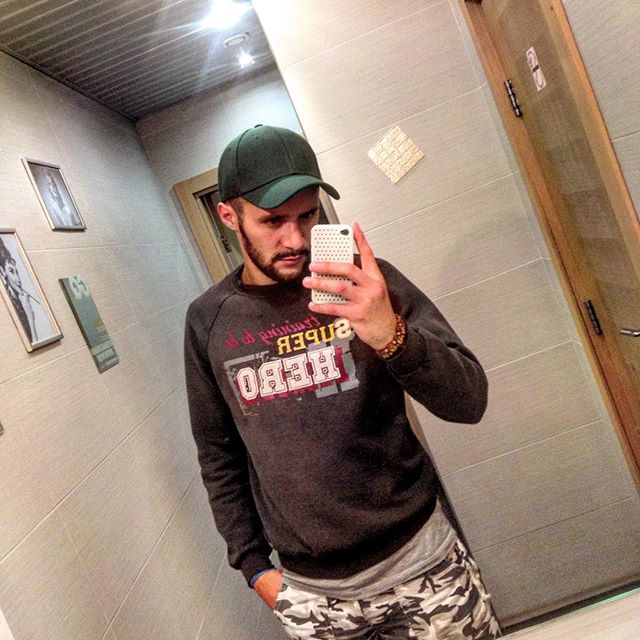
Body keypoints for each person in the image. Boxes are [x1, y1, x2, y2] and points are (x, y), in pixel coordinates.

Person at [184, 125, 500, 639]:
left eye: (307, 216)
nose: (295, 240)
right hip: (314, 598)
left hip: (424, 566)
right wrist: (254, 568)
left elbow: (470, 401)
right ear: (228, 215)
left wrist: (391, 335)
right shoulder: (208, 320)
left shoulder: (367, 284)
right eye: (272, 221)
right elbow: (218, 453)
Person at [0, 237, 37, 343]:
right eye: (11, 271)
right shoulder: (11, 306)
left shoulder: (20, 303)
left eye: (17, 272)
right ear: (3, 272)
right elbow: (33, 344)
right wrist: (30, 316)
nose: (18, 279)